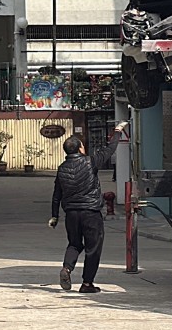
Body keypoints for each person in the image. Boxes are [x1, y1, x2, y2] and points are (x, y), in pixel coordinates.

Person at [48, 123, 125, 293]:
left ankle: (67, 269)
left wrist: (54, 216)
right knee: (93, 247)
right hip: (91, 212)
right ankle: (87, 283)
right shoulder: (91, 162)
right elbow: (109, 149)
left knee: (74, 244)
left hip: (71, 214)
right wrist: (118, 131)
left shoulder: (62, 169)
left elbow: (56, 195)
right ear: (80, 149)